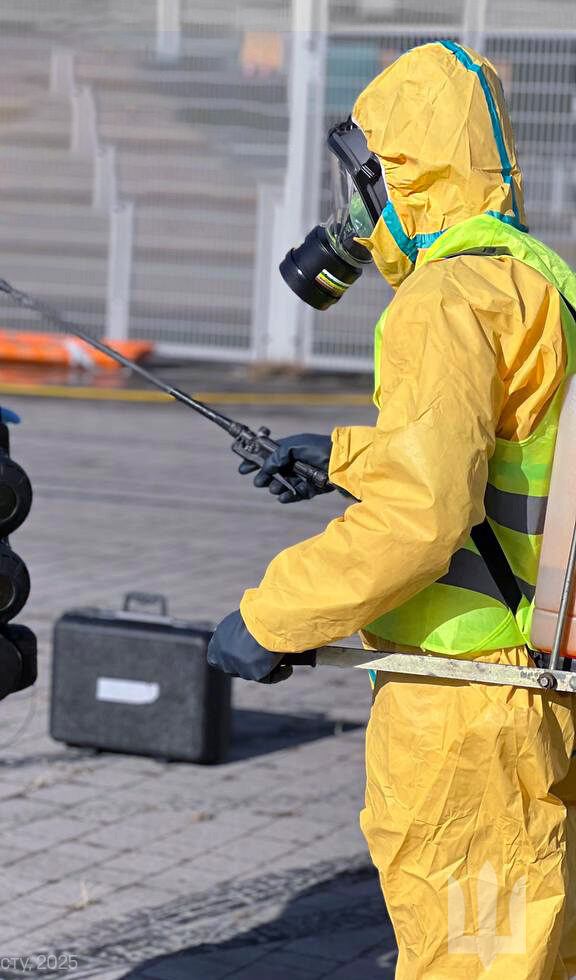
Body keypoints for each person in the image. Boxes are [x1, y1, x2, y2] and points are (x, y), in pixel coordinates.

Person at [208, 42, 576, 980]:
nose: (356, 216)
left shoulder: (443, 301)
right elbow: (503, 462)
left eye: (362, 181)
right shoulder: (539, 280)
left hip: (463, 700)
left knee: (472, 958)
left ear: (399, 172)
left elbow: (423, 519)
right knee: (533, 945)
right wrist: (344, 457)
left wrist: (272, 616)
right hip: (539, 677)